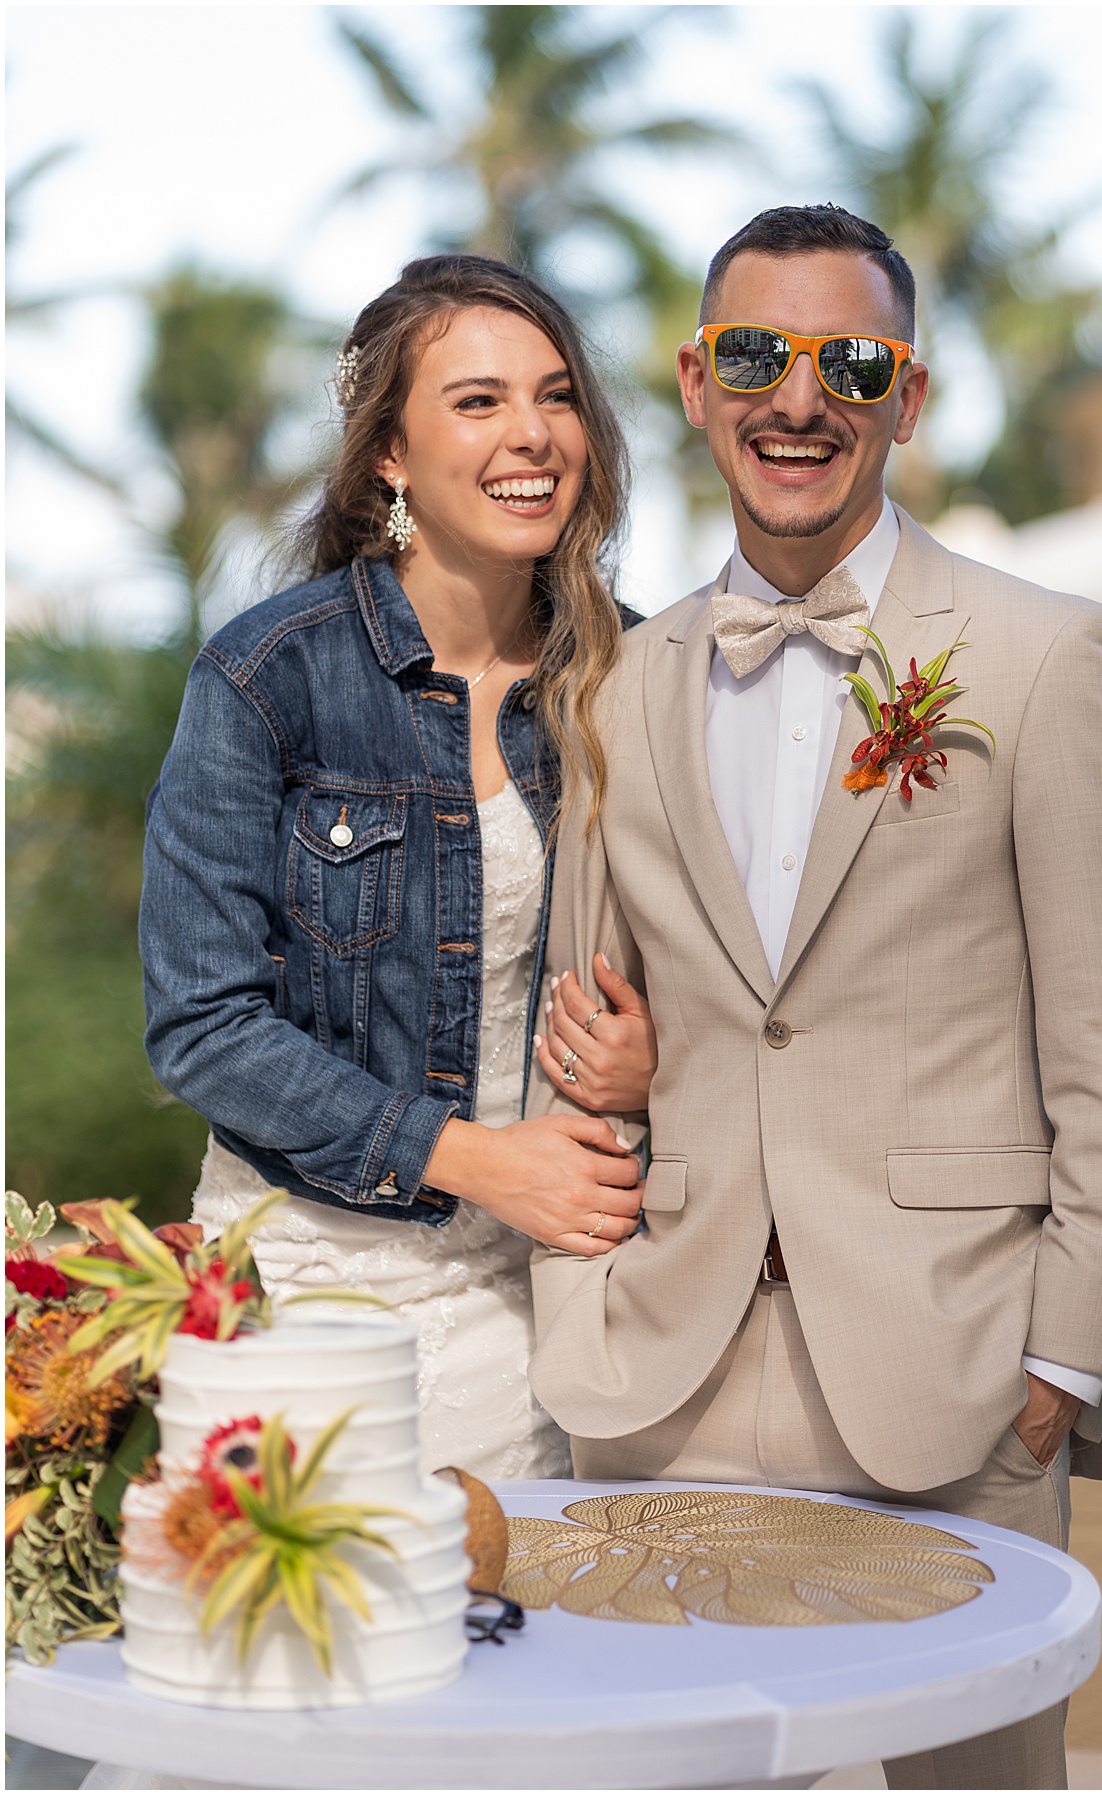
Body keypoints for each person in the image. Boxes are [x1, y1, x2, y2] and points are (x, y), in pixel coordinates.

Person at [528, 206, 1102, 1789]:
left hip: (957, 1386)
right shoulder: (613, 679)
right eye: (756, 354)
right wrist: (589, 1285)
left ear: (911, 397)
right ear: (697, 382)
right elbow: (586, 1017)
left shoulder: (1042, 657)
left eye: (852, 360)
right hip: (660, 1386)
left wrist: (1065, 1368)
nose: (799, 398)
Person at [139, 253, 656, 1481]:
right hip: (306, 1278)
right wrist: (474, 1158)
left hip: (552, 1291)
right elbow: (204, 1026)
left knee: (512, 1645)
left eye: (556, 395)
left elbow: (731, 968)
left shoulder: (641, 672)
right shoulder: (270, 678)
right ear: (389, 453)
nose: (531, 434)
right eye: (477, 402)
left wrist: (655, 1056)